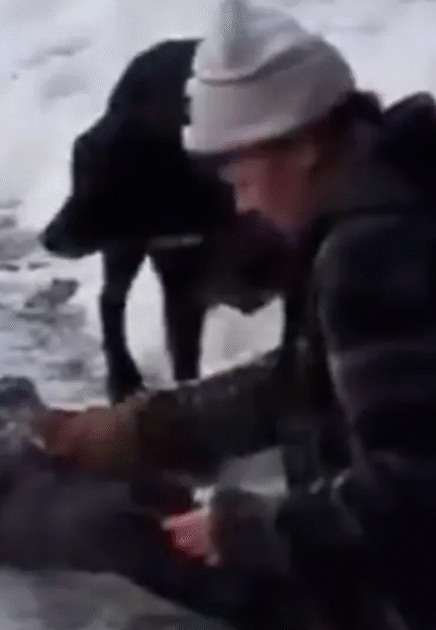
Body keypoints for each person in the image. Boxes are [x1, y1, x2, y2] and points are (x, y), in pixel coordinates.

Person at [53, 1, 436, 628]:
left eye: (242, 170)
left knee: (128, 531)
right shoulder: (400, 192)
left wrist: (249, 527)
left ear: (306, 145)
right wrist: (143, 430)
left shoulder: (371, 252)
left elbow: (414, 502)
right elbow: (303, 383)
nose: (238, 199)